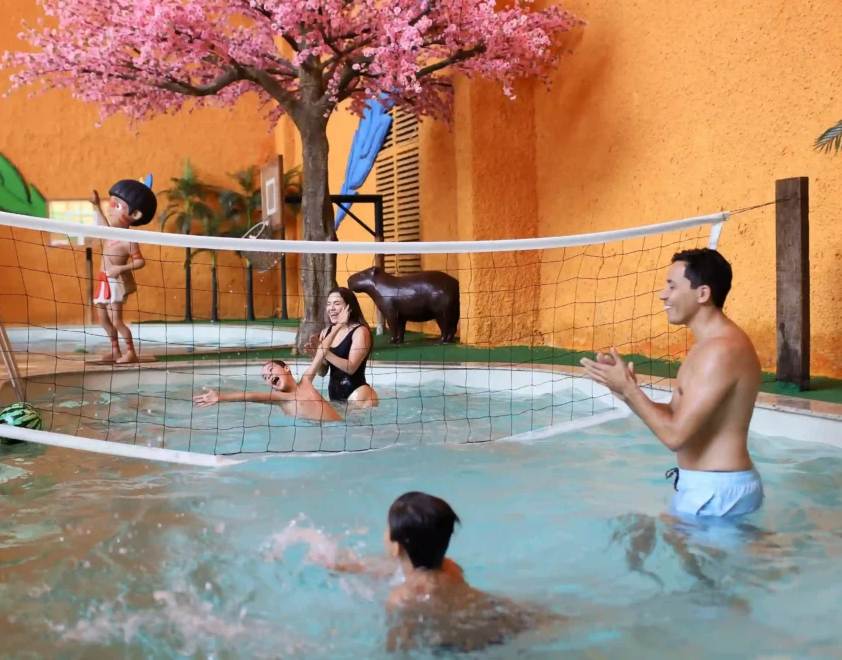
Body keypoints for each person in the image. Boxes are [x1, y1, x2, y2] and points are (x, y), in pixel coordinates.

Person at [580, 248, 764, 521]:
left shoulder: (721, 350)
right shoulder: (707, 346)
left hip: (717, 493)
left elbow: (675, 437)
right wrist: (626, 391)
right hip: (708, 488)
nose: (662, 295)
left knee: (634, 536)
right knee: (633, 536)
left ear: (702, 294)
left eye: (672, 286)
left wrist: (631, 391)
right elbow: (675, 416)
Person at [319, 491, 560, 653]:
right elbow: (393, 568)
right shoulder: (451, 567)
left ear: (396, 546)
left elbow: (398, 648)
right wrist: (344, 565)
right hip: (497, 622)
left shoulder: (401, 599)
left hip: (456, 646)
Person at [90, 176, 157, 364]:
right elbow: (103, 226)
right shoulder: (111, 233)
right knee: (103, 319)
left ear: (135, 215)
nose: (111, 209)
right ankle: (115, 351)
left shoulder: (129, 240)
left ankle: (131, 352)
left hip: (114, 282)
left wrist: (120, 268)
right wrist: (96, 205)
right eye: (112, 204)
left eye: (118, 206)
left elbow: (140, 262)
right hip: (103, 280)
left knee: (116, 320)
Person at [193, 359, 342, 423]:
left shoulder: (306, 381)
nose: (269, 376)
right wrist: (221, 397)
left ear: (287, 368)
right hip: (325, 435)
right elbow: (250, 395)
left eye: (271, 370)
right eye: (265, 377)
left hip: (343, 426)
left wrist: (338, 325)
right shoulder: (281, 398)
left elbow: (320, 354)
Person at [310, 288, 379, 408]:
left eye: (337, 304)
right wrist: (316, 356)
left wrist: (323, 352)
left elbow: (351, 367)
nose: (331, 308)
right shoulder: (326, 332)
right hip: (334, 395)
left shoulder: (360, 331)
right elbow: (322, 372)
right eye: (328, 304)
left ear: (349, 307)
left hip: (359, 394)